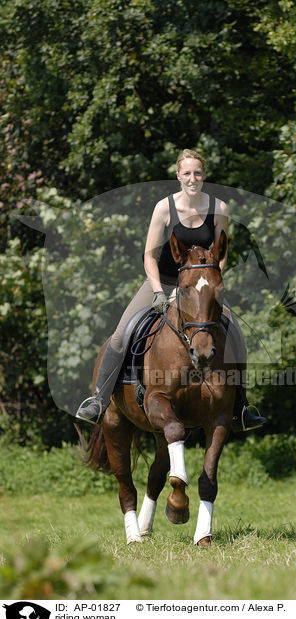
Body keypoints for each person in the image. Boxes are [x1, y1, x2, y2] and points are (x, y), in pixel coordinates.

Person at [75, 149, 266, 430]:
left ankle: (241, 407)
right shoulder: (164, 208)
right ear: (178, 176)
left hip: (201, 286)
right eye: (187, 173)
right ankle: (99, 400)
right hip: (162, 283)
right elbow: (149, 257)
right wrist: (158, 293)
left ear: (204, 175)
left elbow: (220, 255)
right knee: (121, 334)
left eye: (197, 173)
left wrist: (207, 285)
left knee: (235, 331)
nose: (193, 178)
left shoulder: (219, 209)